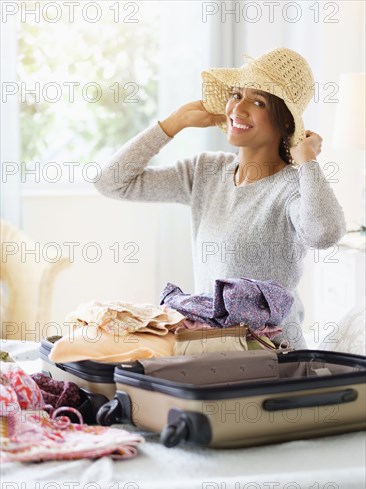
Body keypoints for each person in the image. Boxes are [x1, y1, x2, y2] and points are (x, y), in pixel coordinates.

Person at [93, 47, 346, 349]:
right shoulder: (206, 171)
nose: (238, 109)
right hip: (215, 350)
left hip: (272, 356)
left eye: (258, 101)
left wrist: (307, 161)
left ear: (286, 122)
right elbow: (110, 182)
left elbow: (325, 233)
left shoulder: (292, 186)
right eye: (236, 95)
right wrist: (174, 123)